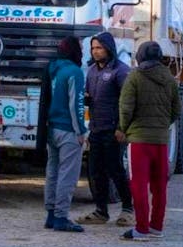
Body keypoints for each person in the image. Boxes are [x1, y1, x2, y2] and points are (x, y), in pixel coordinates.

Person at [116, 41, 180, 241]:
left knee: (139, 184)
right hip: (161, 141)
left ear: (140, 57)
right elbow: (175, 110)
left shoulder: (135, 77)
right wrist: (161, 125)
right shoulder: (169, 78)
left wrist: (122, 129)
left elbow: (126, 108)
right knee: (159, 186)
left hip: (139, 141)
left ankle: (141, 228)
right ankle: (156, 226)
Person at [78, 33, 135, 227]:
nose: (95, 52)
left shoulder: (121, 71)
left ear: (109, 49)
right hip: (96, 129)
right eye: (93, 48)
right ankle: (101, 211)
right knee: (95, 171)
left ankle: (127, 209)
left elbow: (127, 103)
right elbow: (90, 96)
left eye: (99, 48)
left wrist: (122, 128)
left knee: (116, 170)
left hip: (113, 130)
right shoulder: (92, 71)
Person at [36, 35, 88, 232]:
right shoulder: (75, 72)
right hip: (68, 130)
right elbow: (77, 104)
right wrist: (80, 130)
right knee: (68, 174)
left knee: (53, 172)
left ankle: (51, 214)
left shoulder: (53, 68)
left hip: (52, 128)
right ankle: (61, 216)